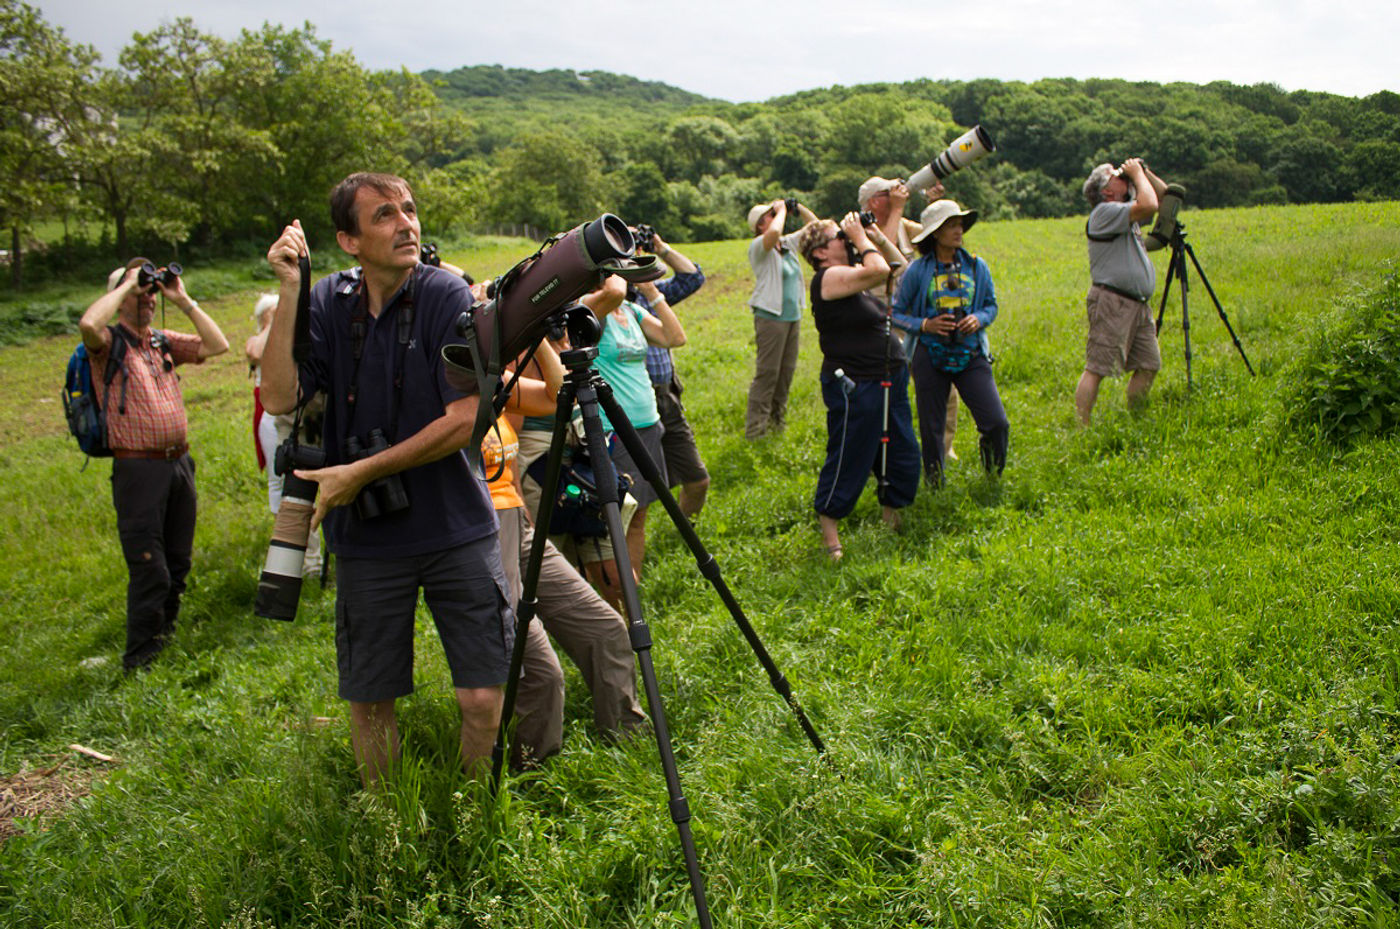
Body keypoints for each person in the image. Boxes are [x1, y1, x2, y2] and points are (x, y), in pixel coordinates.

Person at [261, 172, 512, 787]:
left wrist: (361, 471)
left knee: (482, 697)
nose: (406, 224)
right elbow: (278, 395)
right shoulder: (325, 300)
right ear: (348, 239)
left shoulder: (446, 295)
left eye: (409, 210)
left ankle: (481, 808)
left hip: (456, 526)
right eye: (383, 216)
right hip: (369, 540)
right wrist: (291, 290)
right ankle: (387, 821)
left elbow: (465, 421)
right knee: (370, 700)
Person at [483, 350, 648, 759]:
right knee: (539, 673)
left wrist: (539, 335)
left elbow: (561, 394)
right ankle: (532, 776)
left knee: (607, 630)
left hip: (515, 524)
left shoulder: (488, 374)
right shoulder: (432, 384)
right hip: (472, 532)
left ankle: (628, 748)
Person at [78, 257, 229, 671]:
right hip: (138, 469)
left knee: (178, 561)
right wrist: (126, 286)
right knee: (150, 566)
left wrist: (182, 300)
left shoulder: (160, 341)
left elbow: (218, 346)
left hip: (178, 463)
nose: (148, 300)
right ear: (122, 296)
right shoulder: (108, 344)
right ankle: (140, 659)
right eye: (142, 294)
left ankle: (164, 637)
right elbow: (89, 325)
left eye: (151, 294)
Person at [796, 213, 920, 561]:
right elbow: (879, 271)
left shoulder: (850, 274)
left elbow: (895, 265)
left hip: (886, 378)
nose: (847, 238)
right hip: (855, 382)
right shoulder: (828, 277)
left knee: (901, 450)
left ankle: (891, 518)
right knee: (850, 454)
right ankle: (830, 535)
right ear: (820, 252)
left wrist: (874, 235)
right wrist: (862, 241)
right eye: (840, 235)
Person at [892, 200, 1009, 487]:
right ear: (935, 233)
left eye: (959, 224)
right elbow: (895, 312)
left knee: (996, 422)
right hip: (929, 355)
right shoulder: (917, 271)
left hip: (971, 354)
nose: (958, 231)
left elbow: (991, 306)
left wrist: (978, 319)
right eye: (950, 225)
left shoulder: (976, 266)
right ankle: (935, 486)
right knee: (932, 429)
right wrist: (924, 325)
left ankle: (992, 475)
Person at [586, 272, 687, 589]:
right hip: (613, 430)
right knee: (617, 521)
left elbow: (675, 337)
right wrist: (618, 271)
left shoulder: (631, 310)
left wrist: (650, 289)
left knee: (640, 516)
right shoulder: (591, 311)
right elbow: (613, 293)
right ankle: (616, 595)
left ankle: (633, 591)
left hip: (647, 426)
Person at [858, 175, 959, 461]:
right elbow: (885, 256)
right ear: (873, 202)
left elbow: (935, 236)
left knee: (943, 375)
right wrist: (899, 207)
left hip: (917, 314)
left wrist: (936, 204)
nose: (895, 194)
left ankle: (944, 445)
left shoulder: (903, 225)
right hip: (883, 317)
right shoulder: (861, 229)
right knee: (892, 386)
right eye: (886, 192)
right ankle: (890, 447)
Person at [1075, 157, 1171, 425]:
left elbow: (1163, 198)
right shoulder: (1105, 213)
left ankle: (1136, 420)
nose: (1124, 176)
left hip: (1138, 305)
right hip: (1112, 301)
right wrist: (1136, 174)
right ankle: (1082, 428)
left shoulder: (1127, 212)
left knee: (1149, 365)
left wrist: (1143, 172)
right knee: (1097, 368)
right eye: (1116, 175)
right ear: (1106, 191)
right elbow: (1150, 204)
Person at [634, 228, 710, 518]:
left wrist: (660, 247)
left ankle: (684, 534)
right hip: (630, 402)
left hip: (665, 396)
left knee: (698, 480)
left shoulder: (651, 295)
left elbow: (692, 278)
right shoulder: (610, 300)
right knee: (638, 495)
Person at [246, 294, 323, 580]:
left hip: (315, 423)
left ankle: (320, 561)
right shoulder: (268, 338)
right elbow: (255, 353)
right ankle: (305, 565)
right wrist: (274, 320)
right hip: (285, 424)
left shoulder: (309, 331)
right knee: (293, 493)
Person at [744, 197, 818, 439]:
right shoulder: (759, 246)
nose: (774, 216)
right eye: (769, 215)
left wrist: (798, 209)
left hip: (792, 317)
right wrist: (783, 211)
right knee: (768, 373)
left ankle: (777, 423)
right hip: (770, 318)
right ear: (759, 226)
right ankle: (756, 430)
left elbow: (817, 228)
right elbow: (774, 232)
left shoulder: (786, 245)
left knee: (786, 373)